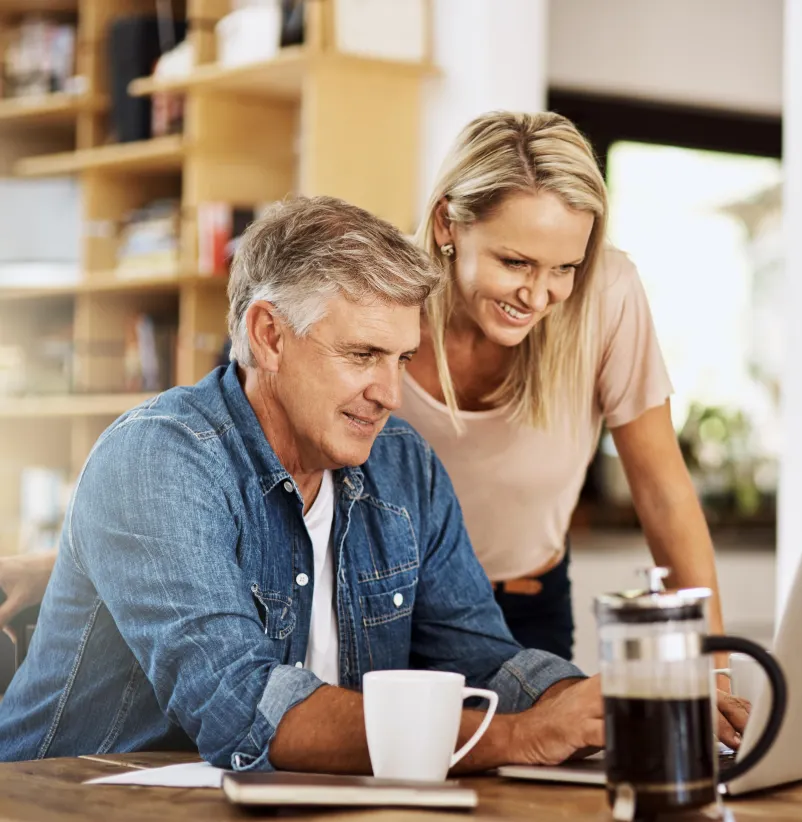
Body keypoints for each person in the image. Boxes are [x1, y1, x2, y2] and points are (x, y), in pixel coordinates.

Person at [0, 196, 753, 771]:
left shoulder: (402, 465)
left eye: (401, 359)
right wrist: (520, 737)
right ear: (269, 335)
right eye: (363, 355)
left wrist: (602, 706)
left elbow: (487, 661)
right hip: (67, 804)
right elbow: (246, 712)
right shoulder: (160, 462)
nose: (391, 394)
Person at [403, 111, 730, 662]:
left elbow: (663, 493)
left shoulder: (608, 295)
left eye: (563, 267)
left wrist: (714, 669)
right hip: (387, 610)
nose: (537, 295)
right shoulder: (382, 302)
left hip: (527, 611)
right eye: (515, 262)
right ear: (447, 225)